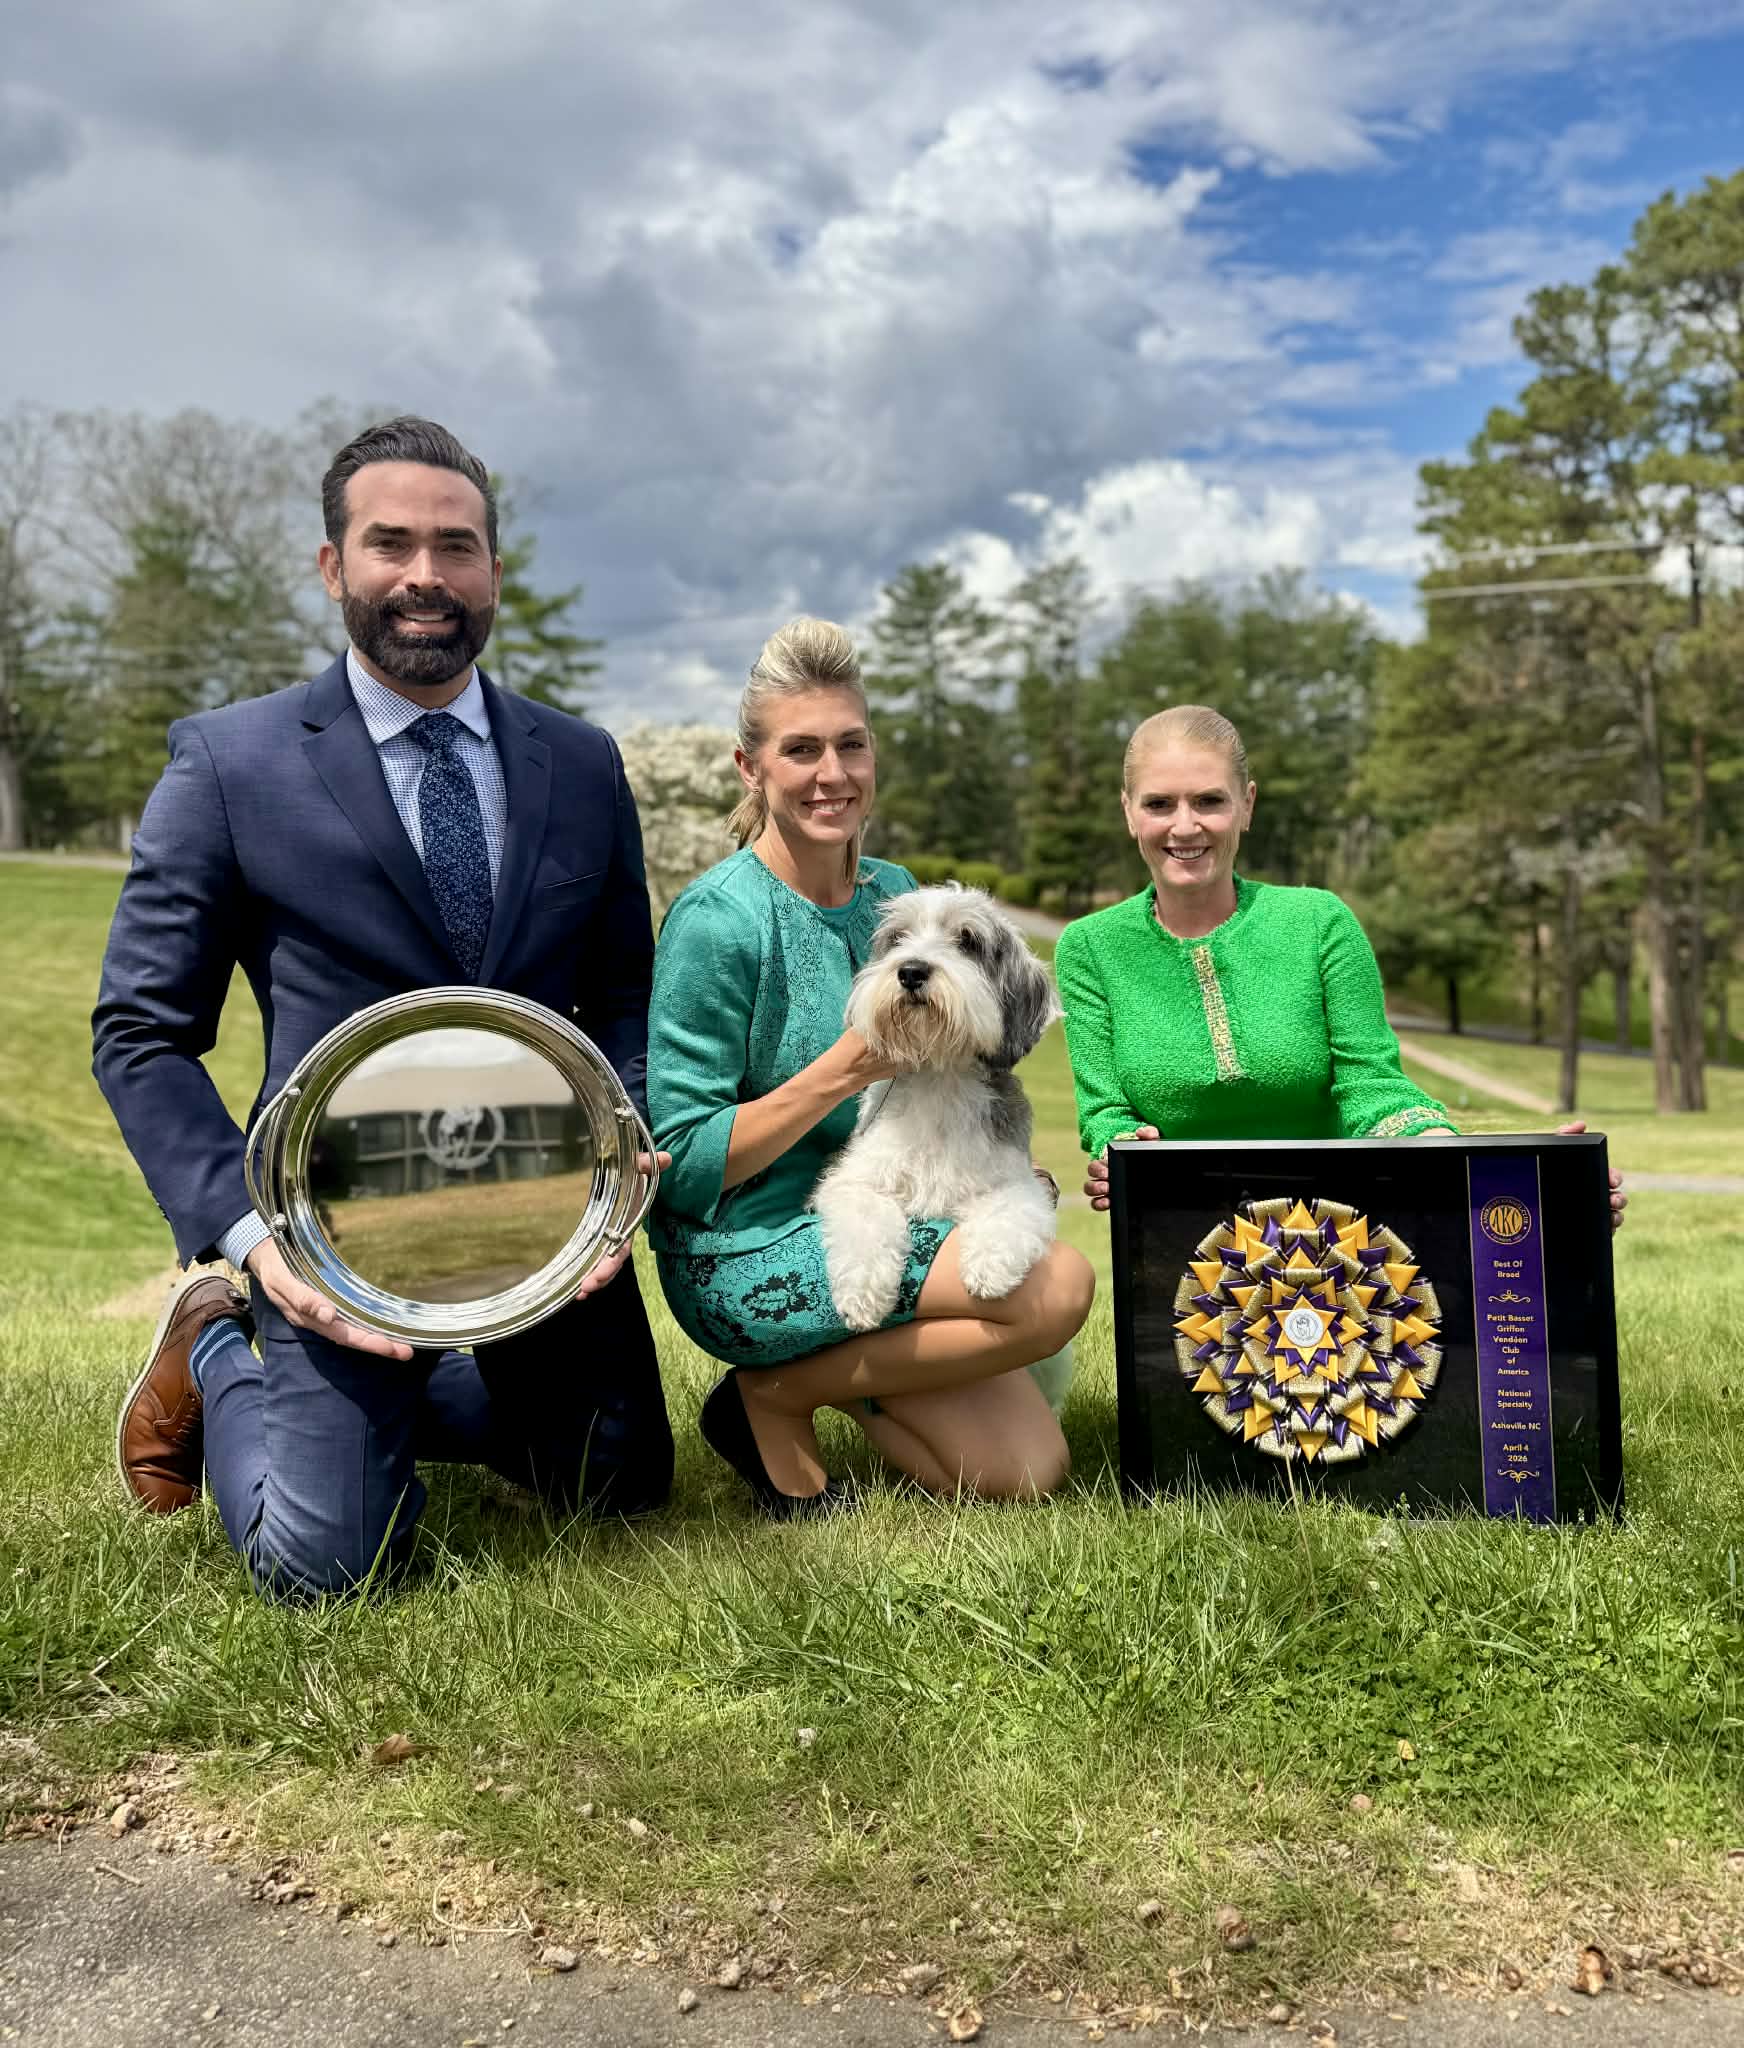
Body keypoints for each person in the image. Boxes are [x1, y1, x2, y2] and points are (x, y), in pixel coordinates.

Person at [94, 417, 674, 1599]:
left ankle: (405, 1404)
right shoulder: (231, 764)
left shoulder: (581, 762)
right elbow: (141, 1032)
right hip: (330, 1240)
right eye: (390, 543)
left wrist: (616, 1176)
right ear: (333, 564)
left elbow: (623, 992)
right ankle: (217, 1351)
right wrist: (253, 1241)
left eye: (455, 546)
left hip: (542, 1230)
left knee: (617, 1488)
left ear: (493, 571)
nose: (425, 574)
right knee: (330, 1570)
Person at [647, 618, 1093, 1517]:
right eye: (801, 749)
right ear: (750, 768)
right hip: (748, 1246)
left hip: (903, 1217)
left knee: (1025, 1469)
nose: (832, 773)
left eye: (851, 745)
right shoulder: (718, 922)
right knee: (1058, 1288)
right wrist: (845, 1069)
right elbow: (683, 1167)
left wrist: (994, 1172)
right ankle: (775, 1392)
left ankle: (816, 1380)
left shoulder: (896, 895)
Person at [1062, 705, 1628, 1229]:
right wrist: (1123, 1152)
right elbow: (1105, 1112)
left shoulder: (1319, 921)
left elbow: (1372, 1086)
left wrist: (1506, 1173)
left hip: (1343, 1229)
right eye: (1159, 804)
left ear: (1248, 805)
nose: (1185, 826)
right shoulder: (1088, 947)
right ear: (1129, 811)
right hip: (1181, 1230)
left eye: (1209, 801)